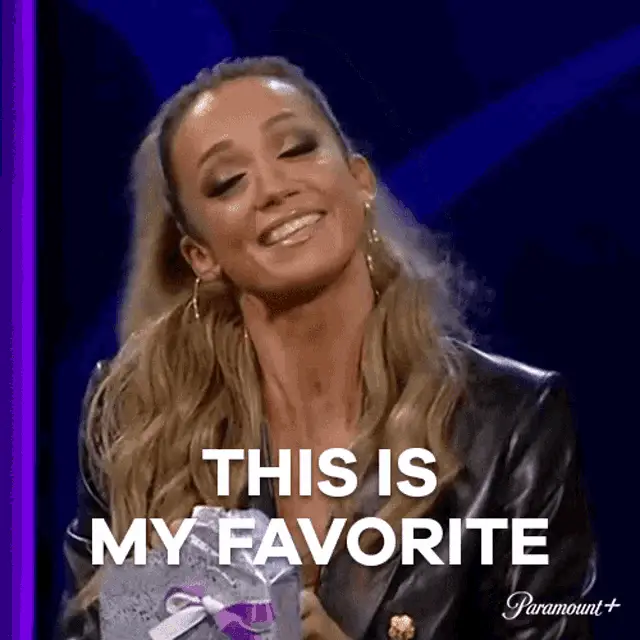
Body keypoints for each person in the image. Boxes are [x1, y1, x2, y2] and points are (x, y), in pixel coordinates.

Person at [56, 56, 597, 640]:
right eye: (228, 181)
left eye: (295, 149)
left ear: (359, 181)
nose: (274, 188)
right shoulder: (136, 419)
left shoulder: (511, 424)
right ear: (201, 256)